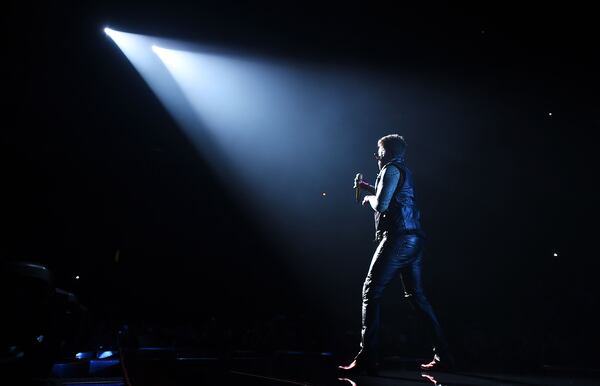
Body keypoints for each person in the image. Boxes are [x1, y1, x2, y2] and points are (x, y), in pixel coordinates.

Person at [338, 134, 453, 375]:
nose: (375, 156)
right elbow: (392, 198)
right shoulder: (401, 171)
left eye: (378, 152)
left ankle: (367, 357)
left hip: (398, 238)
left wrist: (368, 197)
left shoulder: (390, 170)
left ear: (385, 153)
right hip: (413, 240)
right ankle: (444, 354)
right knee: (417, 297)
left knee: (371, 291)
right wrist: (369, 187)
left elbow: (381, 205)